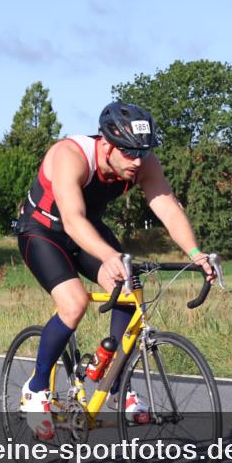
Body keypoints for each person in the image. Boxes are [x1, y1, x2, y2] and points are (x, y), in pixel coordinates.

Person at [14, 101, 215, 440]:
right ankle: (35, 390)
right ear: (107, 144)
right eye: (130, 153)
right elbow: (72, 219)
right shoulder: (71, 155)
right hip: (43, 231)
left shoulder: (143, 162)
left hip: (86, 228)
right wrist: (108, 256)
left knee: (129, 284)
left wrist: (196, 253)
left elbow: (166, 205)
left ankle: (117, 387)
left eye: (143, 153)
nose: (138, 162)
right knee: (74, 302)